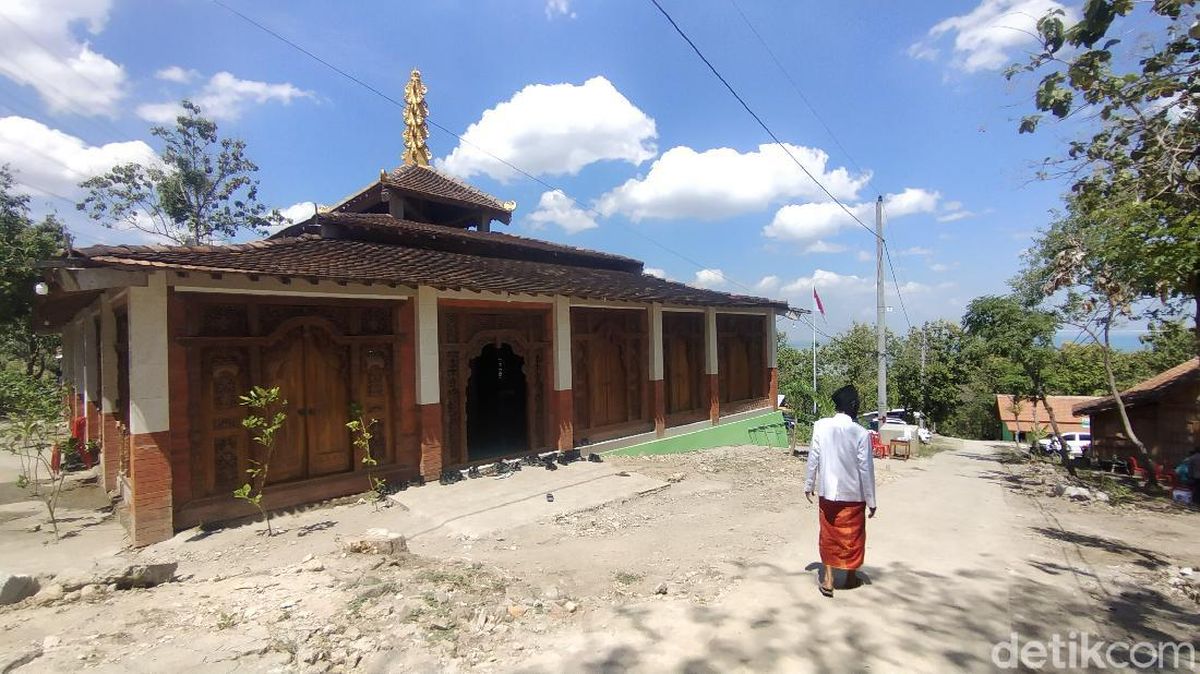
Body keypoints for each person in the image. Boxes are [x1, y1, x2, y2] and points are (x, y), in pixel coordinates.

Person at [804, 385, 877, 597]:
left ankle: (828, 579)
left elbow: (813, 459)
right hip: (854, 495)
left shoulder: (821, 426)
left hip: (828, 493)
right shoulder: (861, 433)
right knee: (853, 537)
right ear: (853, 406)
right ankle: (851, 577)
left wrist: (809, 485)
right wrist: (871, 500)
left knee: (828, 535)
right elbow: (866, 470)